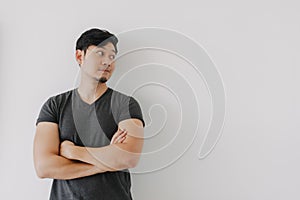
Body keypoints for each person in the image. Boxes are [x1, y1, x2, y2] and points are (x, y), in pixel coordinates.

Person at [33, 28, 145, 200]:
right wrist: (106, 163)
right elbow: (44, 167)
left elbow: (128, 158)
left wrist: (73, 152)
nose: (107, 61)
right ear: (80, 57)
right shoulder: (55, 105)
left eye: (111, 56)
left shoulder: (126, 104)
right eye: (100, 53)